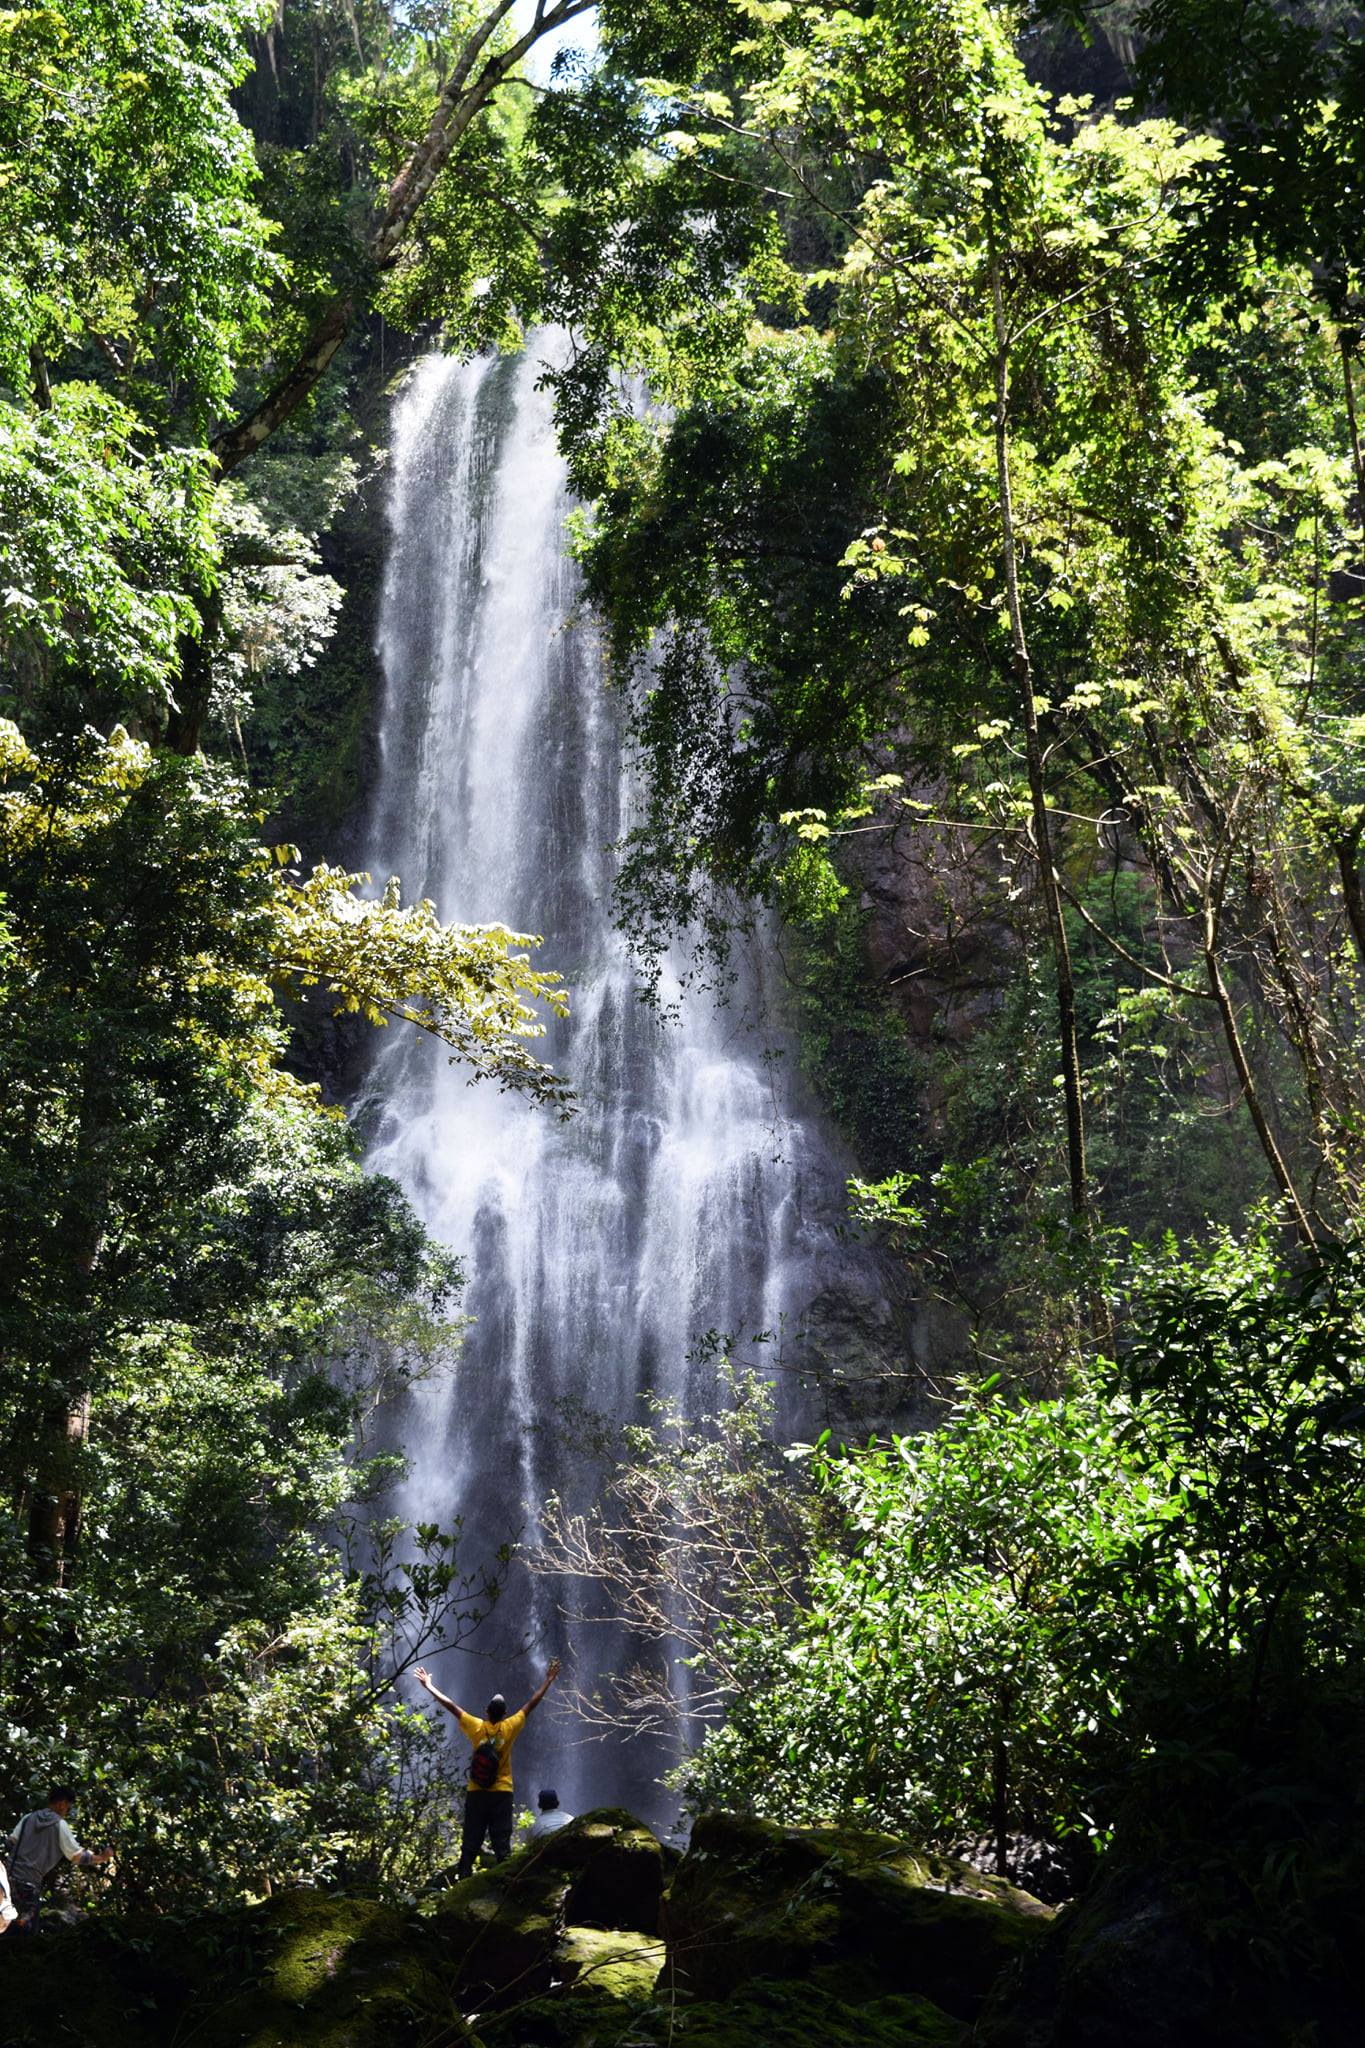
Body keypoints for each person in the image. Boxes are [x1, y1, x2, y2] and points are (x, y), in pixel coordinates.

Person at [417, 1657, 561, 1878]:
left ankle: (463, 1880)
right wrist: (548, 1680)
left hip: (477, 1792)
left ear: (486, 1711)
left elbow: (451, 1706)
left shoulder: (476, 1727)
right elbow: (531, 1704)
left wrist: (428, 1685)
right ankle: (506, 1883)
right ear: (504, 1714)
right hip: (502, 1792)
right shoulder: (510, 1727)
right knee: (501, 1840)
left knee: (471, 1839)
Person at [6, 1786, 112, 1933]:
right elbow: (76, 1856)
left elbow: (11, 1842)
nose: (68, 1810)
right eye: (69, 1806)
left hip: (7, 1877)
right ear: (62, 1803)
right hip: (29, 1883)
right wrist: (102, 1857)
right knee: (26, 1930)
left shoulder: (28, 1817)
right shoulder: (59, 1825)